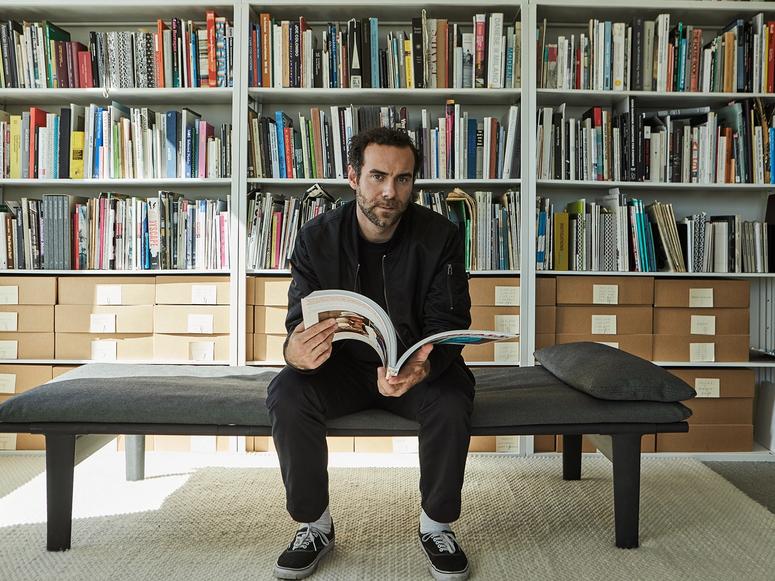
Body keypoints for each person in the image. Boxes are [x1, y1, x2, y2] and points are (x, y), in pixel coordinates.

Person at [267, 126, 475, 581]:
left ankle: (436, 525)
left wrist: (421, 366)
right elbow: (296, 323)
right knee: (286, 391)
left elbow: (451, 323)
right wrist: (294, 351)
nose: (390, 191)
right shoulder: (316, 237)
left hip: (415, 371)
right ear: (353, 178)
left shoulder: (440, 236)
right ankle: (314, 524)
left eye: (403, 179)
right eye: (378, 176)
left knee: (453, 399)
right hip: (340, 370)